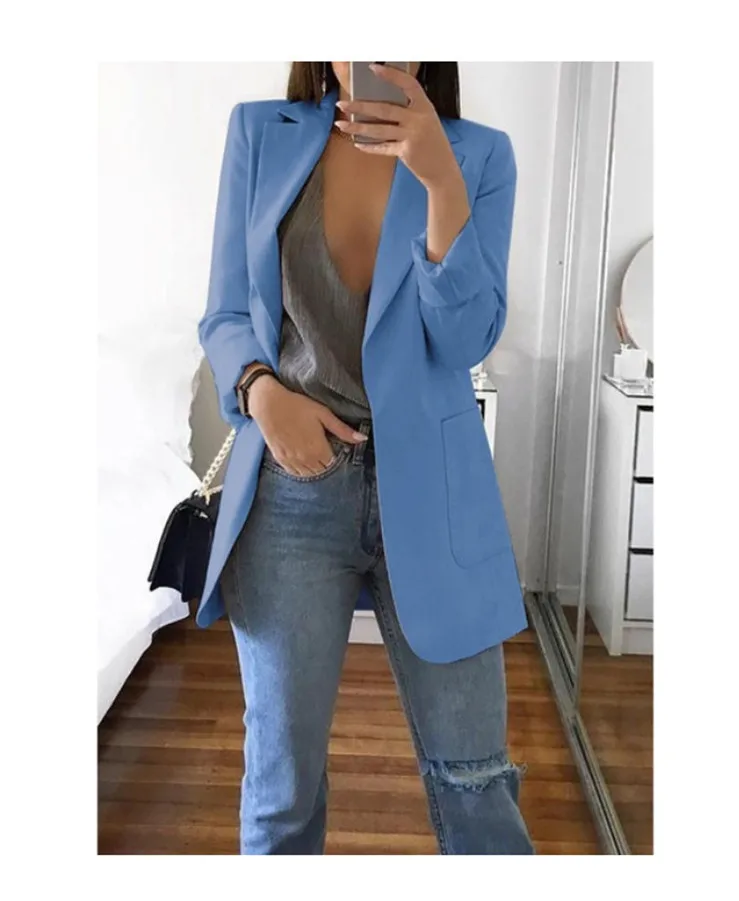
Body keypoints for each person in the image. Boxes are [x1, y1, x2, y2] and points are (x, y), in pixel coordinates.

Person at [198, 61, 534, 855]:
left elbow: (465, 339)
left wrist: (441, 183)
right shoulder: (260, 133)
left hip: (435, 495)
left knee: (477, 785)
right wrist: (261, 393)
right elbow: (224, 313)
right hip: (291, 491)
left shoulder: (479, 155)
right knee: (280, 793)